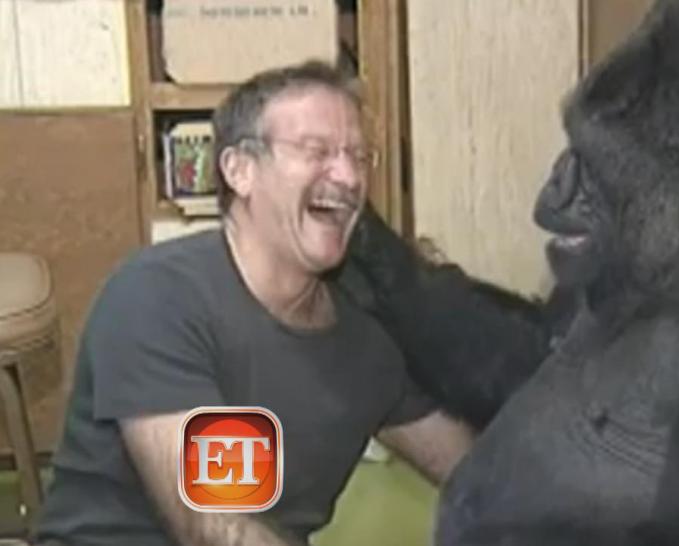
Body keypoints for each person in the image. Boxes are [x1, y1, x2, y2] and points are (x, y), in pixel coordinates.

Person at [32, 60, 474, 546]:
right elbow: (215, 526)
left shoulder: (367, 333)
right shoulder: (157, 297)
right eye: (316, 151)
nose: (349, 177)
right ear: (239, 170)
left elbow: (478, 471)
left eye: (358, 155)